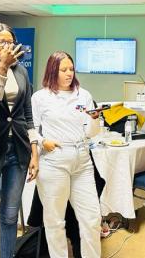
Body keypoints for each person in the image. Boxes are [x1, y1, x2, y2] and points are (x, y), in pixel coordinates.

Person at [0, 22, 39, 258]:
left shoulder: (21, 71)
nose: (7, 46)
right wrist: (1, 69)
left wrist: (35, 153)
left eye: (10, 41)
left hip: (19, 148)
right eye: (2, 41)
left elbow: (27, 114)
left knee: (10, 215)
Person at [31, 51, 102, 258]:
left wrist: (95, 119)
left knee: (92, 219)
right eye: (63, 70)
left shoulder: (84, 95)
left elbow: (91, 132)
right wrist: (44, 141)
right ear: (53, 71)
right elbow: (31, 128)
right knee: (55, 221)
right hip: (53, 162)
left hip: (82, 160)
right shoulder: (40, 97)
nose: (69, 73)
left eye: (71, 69)